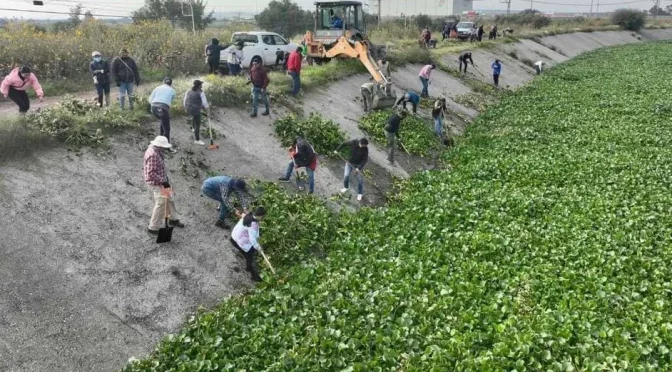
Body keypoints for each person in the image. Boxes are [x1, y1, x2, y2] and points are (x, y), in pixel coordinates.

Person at [144, 136, 184, 234]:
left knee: (169, 198)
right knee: (161, 202)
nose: (165, 149)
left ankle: (173, 219)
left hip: (162, 180)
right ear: (159, 146)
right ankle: (153, 227)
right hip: (156, 183)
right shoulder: (153, 155)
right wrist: (163, 181)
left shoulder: (157, 151)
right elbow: (151, 173)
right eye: (164, 147)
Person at [230, 207, 267, 282]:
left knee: (253, 248)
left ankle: (249, 262)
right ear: (260, 216)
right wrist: (259, 248)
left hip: (234, 236)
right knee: (250, 253)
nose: (263, 218)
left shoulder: (249, 214)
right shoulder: (253, 225)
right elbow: (253, 240)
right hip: (240, 241)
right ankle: (251, 271)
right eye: (263, 216)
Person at [149, 77, 176, 146]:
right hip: (163, 108)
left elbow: (150, 99)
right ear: (170, 84)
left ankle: (160, 139)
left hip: (153, 107)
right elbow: (171, 100)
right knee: (167, 127)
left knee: (163, 121)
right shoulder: (173, 91)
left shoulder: (157, 88)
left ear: (163, 82)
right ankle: (166, 145)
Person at [183, 79, 209, 145]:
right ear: (200, 86)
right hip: (195, 109)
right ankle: (197, 140)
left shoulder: (188, 91)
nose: (202, 86)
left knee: (194, 116)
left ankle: (193, 129)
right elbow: (205, 104)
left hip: (188, 108)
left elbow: (185, 100)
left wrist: (185, 108)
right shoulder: (201, 93)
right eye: (201, 84)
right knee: (198, 124)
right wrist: (208, 111)